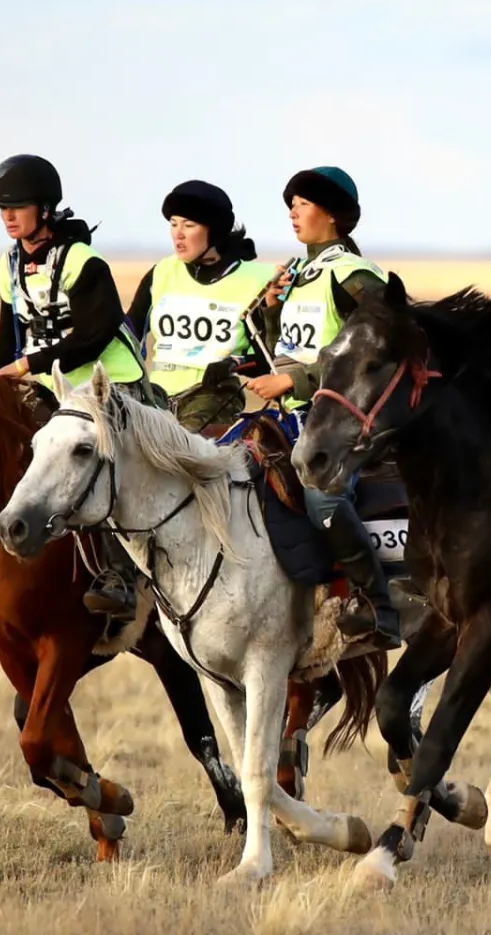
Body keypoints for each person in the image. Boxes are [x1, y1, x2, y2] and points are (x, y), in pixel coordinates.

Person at [0, 153, 151, 618]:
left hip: (109, 388)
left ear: (46, 209)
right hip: (53, 388)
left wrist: (25, 365)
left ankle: (118, 578)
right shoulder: (8, 264)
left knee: (96, 473)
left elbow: (95, 336)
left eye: (17, 206)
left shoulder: (82, 262)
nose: (8, 217)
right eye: (2, 208)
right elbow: (6, 336)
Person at [247, 166, 402, 650]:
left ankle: (377, 606)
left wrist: (293, 380)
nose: (293, 212)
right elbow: (286, 350)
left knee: (322, 498)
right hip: (293, 416)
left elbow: (372, 356)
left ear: (331, 214)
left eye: (303, 203)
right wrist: (271, 309)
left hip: (341, 423)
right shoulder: (301, 274)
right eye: (290, 204)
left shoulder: (355, 277)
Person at [126, 180, 277, 433]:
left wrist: (233, 363)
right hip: (156, 396)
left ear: (215, 231)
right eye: (173, 224)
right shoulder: (162, 272)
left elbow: (270, 357)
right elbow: (129, 336)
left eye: (189, 225)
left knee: (186, 453)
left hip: (213, 397)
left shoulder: (259, 280)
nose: (178, 234)